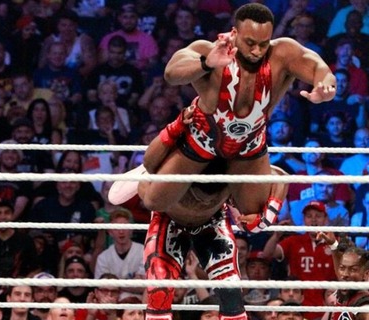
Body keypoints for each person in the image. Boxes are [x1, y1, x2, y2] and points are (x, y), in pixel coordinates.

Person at [137, 3, 336, 220]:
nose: (257, 51)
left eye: (263, 44)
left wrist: (326, 88)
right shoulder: (209, 49)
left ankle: (271, 177)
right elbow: (171, 73)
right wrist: (206, 64)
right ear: (235, 33)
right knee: (154, 201)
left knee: (254, 218)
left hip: (248, 145)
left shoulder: (283, 53)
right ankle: (163, 167)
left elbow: (320, 68)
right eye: (250, 43)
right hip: (204, 139)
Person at [124, 148, 289, 320]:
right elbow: (135, 196)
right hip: (169, 220)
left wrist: (266, 217)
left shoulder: (233, 163)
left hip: (213, 221)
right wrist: (150, 173)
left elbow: (279, 176)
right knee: (159, 292)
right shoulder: (171, 169)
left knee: (231, 291)